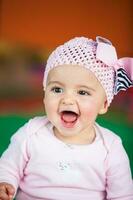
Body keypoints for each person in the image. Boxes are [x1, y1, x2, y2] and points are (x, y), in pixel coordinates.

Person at [0, 36, 133, 200]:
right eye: (57, 89)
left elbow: (123, 195)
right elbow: (9, 165)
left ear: (104, 105)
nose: (67, 99)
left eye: (82, 92)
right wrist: (5, 181)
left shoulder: (111, 148)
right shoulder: (30, 133)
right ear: (44, 94)